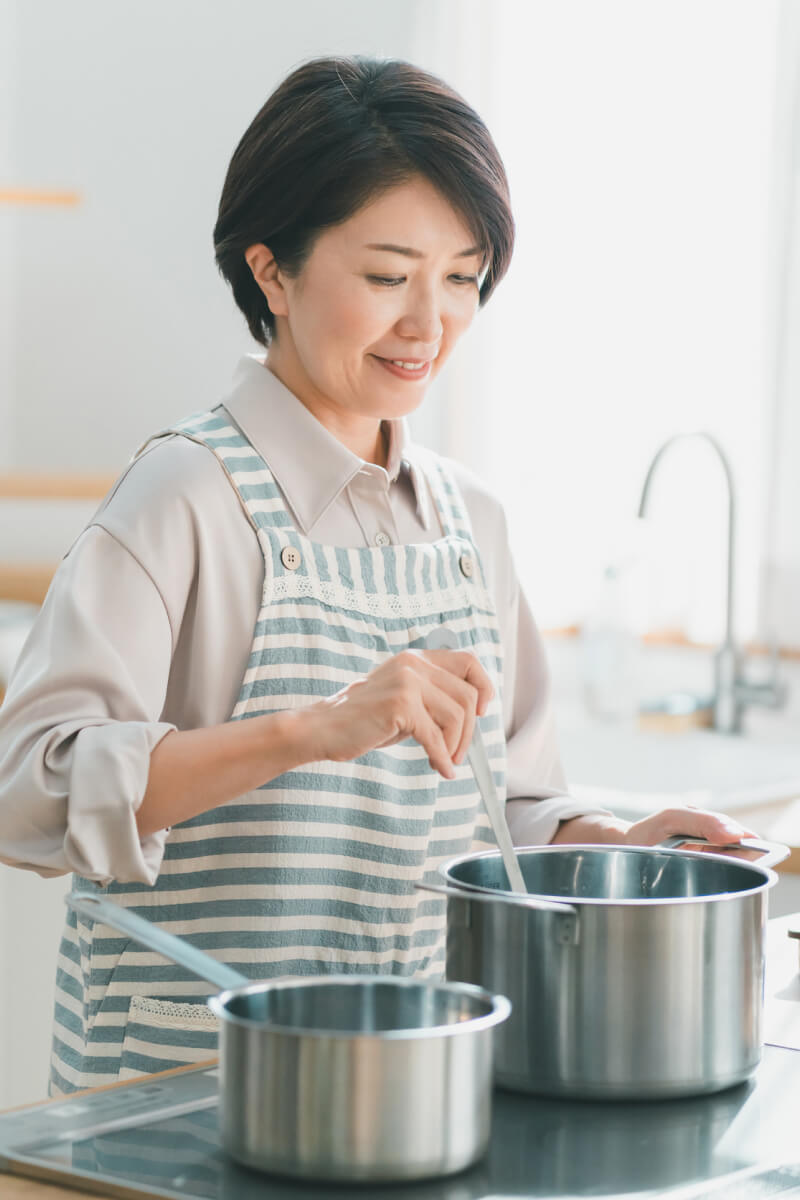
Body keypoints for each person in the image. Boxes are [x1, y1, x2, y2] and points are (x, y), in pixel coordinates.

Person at [0, 55, 756, 1096]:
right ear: (271, 270)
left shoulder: (466, 524)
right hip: (184, 1092)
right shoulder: (183, 496)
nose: (427, 322)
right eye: (387, 274)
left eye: (460, 276)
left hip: (409, 1091)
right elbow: (29, 790)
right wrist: (314, 728)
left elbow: (512, 806)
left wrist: (611, 842)